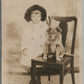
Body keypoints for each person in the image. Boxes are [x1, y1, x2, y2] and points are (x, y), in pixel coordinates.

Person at [20, 5, 48, 71]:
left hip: (41, 45)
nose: (36, 18)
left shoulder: (44, 26)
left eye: (38, 16)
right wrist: (24, 48)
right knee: (28, 53)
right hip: (30, 45)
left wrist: (45, 45)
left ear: (41, 17)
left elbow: (47, 37)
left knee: (40, 54)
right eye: (33, 16)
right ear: (30, 17)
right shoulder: (28, 26)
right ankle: (32, 71)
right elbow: (24, 38)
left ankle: (38, 71)